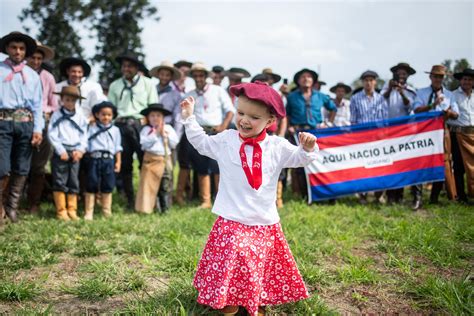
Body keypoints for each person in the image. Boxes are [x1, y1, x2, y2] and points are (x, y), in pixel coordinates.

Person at [181, 81, 317, 316]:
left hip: (263, 221)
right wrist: (189, 119)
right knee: (232, 261)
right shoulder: (226, 140)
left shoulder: (277, 146)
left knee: (257, 265)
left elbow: (300, 159)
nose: (244, 120)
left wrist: (307, 148)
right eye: (241, 113)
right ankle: (229, 299)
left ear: (270, 121)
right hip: (231, 218)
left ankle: (255, 299)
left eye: (254, 117)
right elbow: (202, 143)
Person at [0, 31, 43, 224]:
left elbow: (38, 105)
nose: (17, 51)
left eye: (21, 48)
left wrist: (37, 129)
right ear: (7, 49)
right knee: (2, 167)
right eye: (14, 47)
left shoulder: (32, 75)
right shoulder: (0, 70)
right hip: (3, 122)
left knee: (22, 167)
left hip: (26, 124)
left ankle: (12, 208)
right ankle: (0, 207)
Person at [179, 62, 234, 209]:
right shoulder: (189, 94)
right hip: (199, 132)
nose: (198, 78)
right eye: (195, 75)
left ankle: (221, 198)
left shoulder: (217, 90)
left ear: (206, 76)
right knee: (201, 166)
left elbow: (230, 110)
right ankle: (205, 200)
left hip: (216, 130)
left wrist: (224, 126)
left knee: (218, 166)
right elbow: (184, 114)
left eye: (201, 75)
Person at [108, 51, 158, 210]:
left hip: (140, 125)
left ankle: (147, 199)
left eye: (129, 66)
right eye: (123, 66)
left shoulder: (148, 84)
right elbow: (111, 109)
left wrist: (150, 126)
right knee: (124, 164)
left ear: (137, 68)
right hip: (121, 125)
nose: (126, 69)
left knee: (146, 161)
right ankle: (129, 199)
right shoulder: (115, 85)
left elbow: (153, 107)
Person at [286, 68, 336, 198]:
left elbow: (333, 108)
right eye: (303, 77)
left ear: (313, 80)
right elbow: (287, 114)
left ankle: (319, 192)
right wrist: (290, 126)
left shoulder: (320, 95)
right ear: (298, 81)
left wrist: (328, 123)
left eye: (309, 77)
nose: (306, 79)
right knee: (298, 164)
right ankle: (300, 193)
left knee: (317, 161)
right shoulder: (291, 97)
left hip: (316, 132)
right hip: (298, 133)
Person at [413, 65, 459, 205]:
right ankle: (417, 198)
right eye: (435, 76)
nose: (438, 79)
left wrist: (448, 112)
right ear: (430, 77)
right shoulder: (421, 92)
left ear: (443, 78)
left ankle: (434, 198)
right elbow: (416, 110)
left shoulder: (450, 95)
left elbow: (456, 115)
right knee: (420, 163)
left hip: (442, 132)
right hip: (424, 131)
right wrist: (433, 105)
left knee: (441, 163)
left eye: (440, 76)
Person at [26, 41, 58, 213]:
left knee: (39, 165)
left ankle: (34, 203)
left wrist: (46, 113)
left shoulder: (47, 77)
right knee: (21, 163)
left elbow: (54, 104)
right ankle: (13, 202)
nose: (36, 61)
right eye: (33, 57)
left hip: (43, 122)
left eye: (39, 58)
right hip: (22, 120)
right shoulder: (19, 73)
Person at [380, 63, 418, 207]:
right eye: (399, 73)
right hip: (388, 130)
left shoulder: (411, 90)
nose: (401, 76)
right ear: (394, 74)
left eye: (404, 74)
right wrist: (391, 88)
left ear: (407, 76)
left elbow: (410, 107)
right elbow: (381, 100)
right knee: (390, 163)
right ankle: (390, 195)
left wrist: (402, 92)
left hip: (404, 131)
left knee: (401, 164)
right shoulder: (386, 87)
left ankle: (400, 195)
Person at [49, 86, 88, 221]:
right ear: (62, 100)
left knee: (73, 180)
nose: (70, 103)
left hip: (75, 151)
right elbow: (52, 134)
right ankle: (61, 210)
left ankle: (72, 210)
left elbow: (84, 134)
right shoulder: (56, 115)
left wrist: (81, 150)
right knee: (60, 180)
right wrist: (61, 150)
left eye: (73, 100)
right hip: (62, 152)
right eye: (67, 100)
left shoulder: (80, 116)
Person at [150, 61, 183, 211]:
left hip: (168, 132)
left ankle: (166, 202)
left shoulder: (176, 95)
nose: (164, 76)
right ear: (158, 75)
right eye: (162, 73)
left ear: (171, 76)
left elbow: (178, 117)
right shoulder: (151, 90)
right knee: (152, 168)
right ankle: (152, 201)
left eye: (167, 74)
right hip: (151, 132)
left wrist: (174, 137)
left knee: (168, 170)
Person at [135, 103, 179, 214]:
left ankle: (165, 208)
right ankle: (149, 207)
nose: (155, 118)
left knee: (165, 185)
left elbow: (174, 144)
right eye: (152, 115)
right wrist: (155, 135)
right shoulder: (146, 130)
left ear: (163, 117)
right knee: (149, 185)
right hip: (150, 161)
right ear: (148, 118)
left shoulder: (168, 128)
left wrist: (165, 135)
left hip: (164, 160)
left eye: (158, 115)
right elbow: (144, 144)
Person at [84, 101, 122, 220]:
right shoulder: (91, 128)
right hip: (94, 158)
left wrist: (118, 161)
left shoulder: (115, 130)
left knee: (108, 184)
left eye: (109, 115)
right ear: (97, 115)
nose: (106, 117)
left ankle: (106, 210)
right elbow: (85, 142)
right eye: (103, 114)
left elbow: (117, 147)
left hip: (108, 160)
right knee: (91, 183)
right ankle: (89, 212)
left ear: (112, 116)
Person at [450, 68, 474, 204]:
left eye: (470, 79)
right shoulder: (453, 95)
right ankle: (461, 196)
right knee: (459, 167)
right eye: (464, 79)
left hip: (473, 134)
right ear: (460, 80)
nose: (467, 82)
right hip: (458, 134)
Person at [56, 57, 106, 121]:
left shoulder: (93, 87)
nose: (76, 75)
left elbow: (100, 107)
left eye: (79, 72)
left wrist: (90, 120)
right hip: (63, 122)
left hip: (88, 123)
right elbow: (56, 106)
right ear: (67, 71)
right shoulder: (58, 87)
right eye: (73, 71)